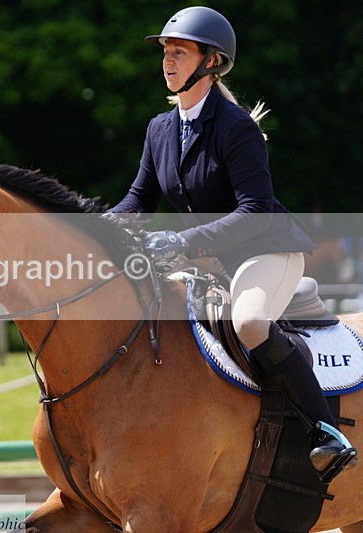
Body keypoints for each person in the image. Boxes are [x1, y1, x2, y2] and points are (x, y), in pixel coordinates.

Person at [109, 6, 356, 479]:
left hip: (267, 251)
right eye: (166, 52)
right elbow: (138, 200)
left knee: (249, 321)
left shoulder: (236, 126)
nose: (167, 61)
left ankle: (327, 433)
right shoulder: (160, 129)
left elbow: (255, 210)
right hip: (213, 259)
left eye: (179, 52)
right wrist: (91, 226)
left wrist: (182, 240)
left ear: (211, 62)